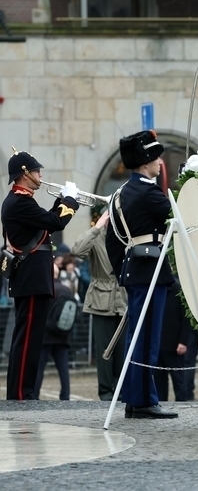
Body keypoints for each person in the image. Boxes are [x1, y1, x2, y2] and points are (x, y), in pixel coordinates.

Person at [105, 130, 177, 419]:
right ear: (146, 160)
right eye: (156, 157)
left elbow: (112, 240)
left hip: (134, 271)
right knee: (147, 338)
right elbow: (178, 216)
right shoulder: (148, 192)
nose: (160, 162)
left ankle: (136, 398)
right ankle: (144, 400)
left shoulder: (120, 193)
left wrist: (122, 272)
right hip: (151, 271)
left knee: (138, 335)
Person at [2, 148, 79, 400]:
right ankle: (22, 394)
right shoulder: (20, 201)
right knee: (28, 341)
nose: (40, 174)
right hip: (32, 279)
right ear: (25, 174)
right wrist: (70, 202)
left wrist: (61, 202)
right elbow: (55, 223)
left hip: (32, 278)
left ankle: (22, 391)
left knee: (28, 339)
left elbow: (46, 224)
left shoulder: (22, 200)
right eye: (36, 170)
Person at [71, 209, 127, 401]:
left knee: (122, 352)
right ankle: (105, 393)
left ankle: (121, 392)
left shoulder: (128, 235)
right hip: (101, 300)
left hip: (124, 300)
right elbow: (77, 250)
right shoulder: (97, 236)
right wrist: (97, 226)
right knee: (104, 351)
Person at [33, 264, 75, 400]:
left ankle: (34, 395)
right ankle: (65, 396)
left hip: (45, 335)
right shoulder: (66, 290)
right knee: (63, 369)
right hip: (62, 335)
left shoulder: (45, 289)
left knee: (39, 368)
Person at [154, 278, 192, 402]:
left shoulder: (178, 289)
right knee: (159, 382)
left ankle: (183, 406)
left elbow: (186, 318)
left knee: (179, 381)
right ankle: (160, 404)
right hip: (159, 344)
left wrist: (183, 341)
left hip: (175, 345)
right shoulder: (154, 287)